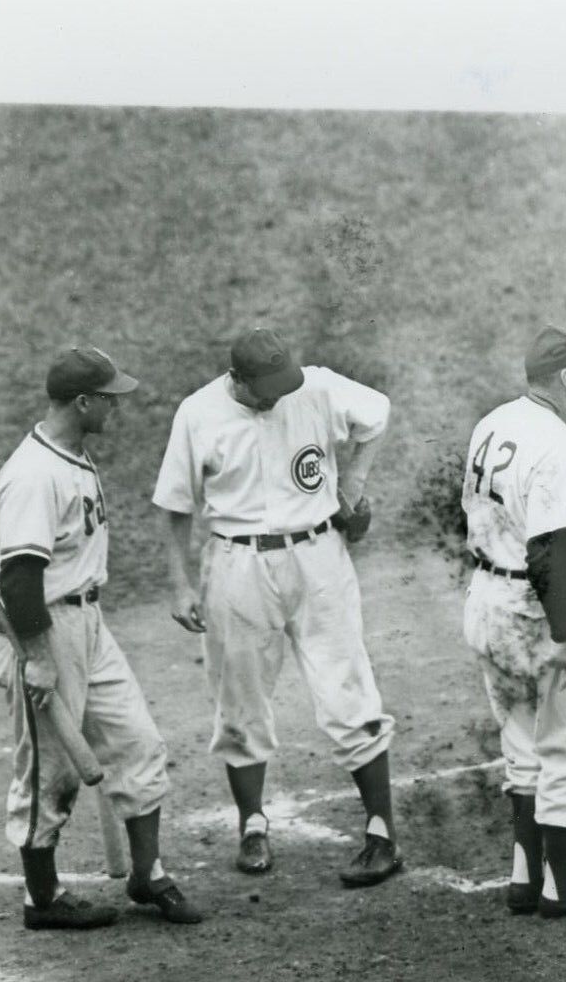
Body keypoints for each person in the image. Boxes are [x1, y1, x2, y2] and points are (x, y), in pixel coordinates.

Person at [153, 329, 401, 888]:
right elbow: (174, 504)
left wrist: (354, 480)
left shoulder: (314, 388)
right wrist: (179, 583)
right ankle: (252, 823)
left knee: (348, 689)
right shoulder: (197, 413)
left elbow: (377, 414)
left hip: (319, 558)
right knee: (239, 698)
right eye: (265, 389)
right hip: (237, 566)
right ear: (236, 379)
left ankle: (382, 832)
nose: (277, 397)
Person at [0, 346, 202, 930]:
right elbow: (19, 575)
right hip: (40, 629)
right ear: (82, 402)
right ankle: (43, 900)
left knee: (138, 741)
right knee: (50, 771)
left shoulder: (70, 453)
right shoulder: (33, 474)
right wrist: (37, 658)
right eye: (110, 398)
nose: (118, 407)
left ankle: (147, 874)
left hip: (87, 624)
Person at [461, 325, 566, 919]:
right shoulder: (558, 446)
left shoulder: (494, 422)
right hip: (538, 607)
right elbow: (548, 552)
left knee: (522, 742)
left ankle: (523, 877)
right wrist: (563, 635)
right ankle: (562, 888)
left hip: (485, 598)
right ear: (564, 376)